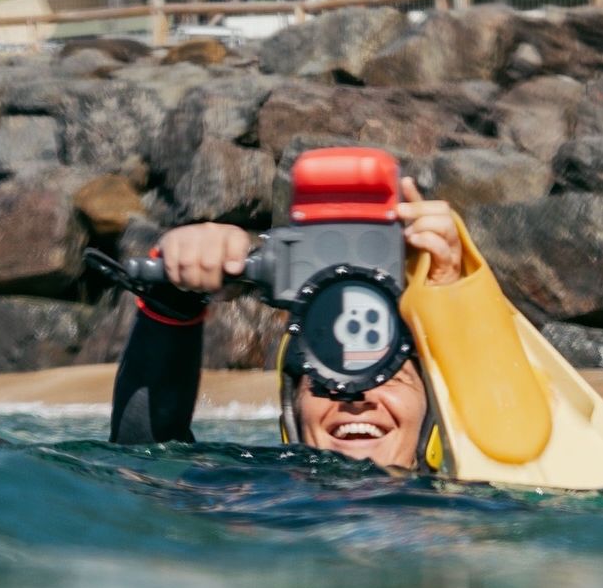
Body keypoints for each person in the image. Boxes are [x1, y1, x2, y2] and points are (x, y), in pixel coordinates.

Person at [110, 179, 465, 472]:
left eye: (387, 374)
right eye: (327, 375)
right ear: (291, 409)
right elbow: (145, 471)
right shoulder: (250, 496)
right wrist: (172, 307)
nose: (357, 397)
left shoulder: (473, 506)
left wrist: (463, 291)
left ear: (433, 413)